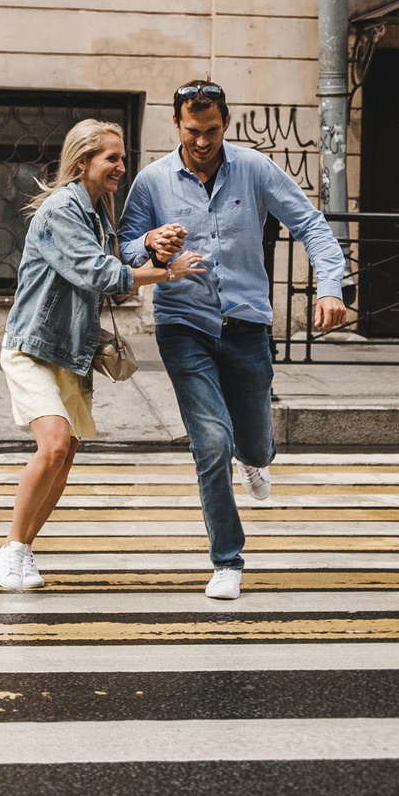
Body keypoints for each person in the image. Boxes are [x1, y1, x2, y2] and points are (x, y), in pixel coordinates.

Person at [120, 81, 350, 601]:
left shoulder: (255, 168)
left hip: (247, 323)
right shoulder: (152, 181)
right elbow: (125, 249)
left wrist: (330, 287)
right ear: (176, 126)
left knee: (254, 441)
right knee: (211, 442)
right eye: (192, 131)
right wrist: (150, 245)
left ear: (226, 123)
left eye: (213, 131)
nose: (202, 142)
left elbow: (311, 225)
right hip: (183, 325)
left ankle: (257, 457)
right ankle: (227, 559)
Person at [0, 120, 203, 591]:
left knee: (65, 452)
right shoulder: (61, 210)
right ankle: (10, 549)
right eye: (112, 158)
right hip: (32, 345)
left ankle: (25, 549)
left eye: (122, 158)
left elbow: (117, 257)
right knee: (52, 444)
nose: (121, 167)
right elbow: (98, 272)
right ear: (83, 160)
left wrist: (150, 243)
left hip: (70, 348)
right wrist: (168, 274)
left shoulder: (96, 210)